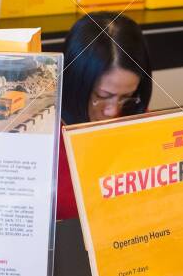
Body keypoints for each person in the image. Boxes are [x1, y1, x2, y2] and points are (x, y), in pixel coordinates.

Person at [56, 12, 153, 220]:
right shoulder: (44, 136)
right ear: (75, 83)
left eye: (126, 97)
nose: (113, 111)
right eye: (102, 96)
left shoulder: (139, 117)